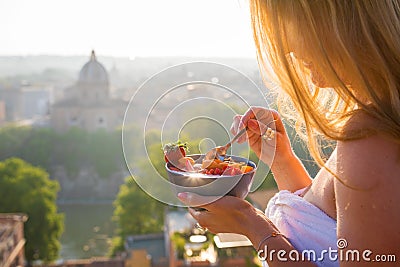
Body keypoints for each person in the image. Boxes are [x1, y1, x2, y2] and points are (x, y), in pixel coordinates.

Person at [178, 0, 400, 266]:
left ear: (338, 24)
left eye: (292, 25)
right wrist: (281, 160)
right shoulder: (378, 124)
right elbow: (325, 231)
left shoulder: (370, 137)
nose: (289, 49)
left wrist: (251, 225)